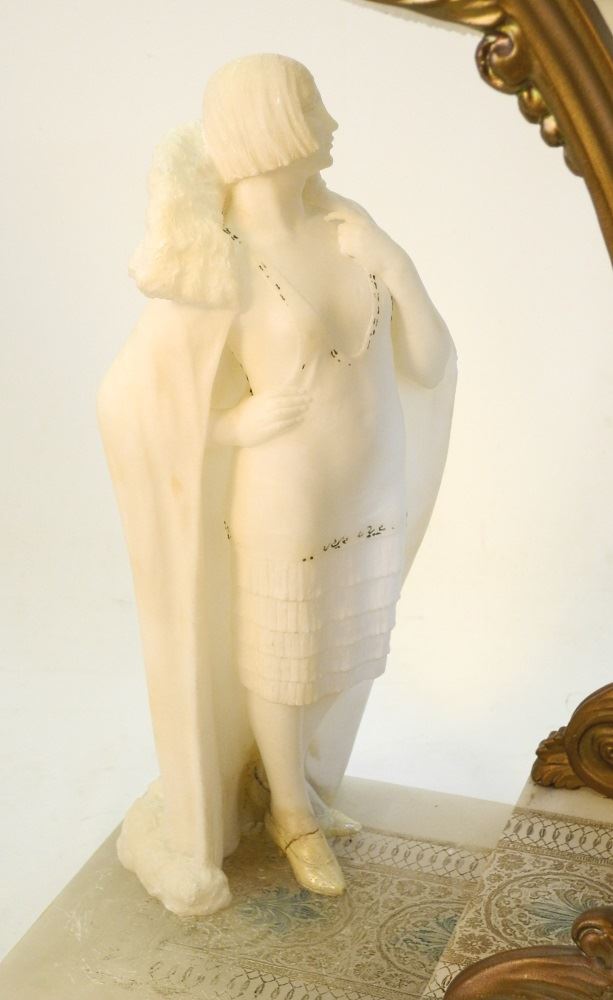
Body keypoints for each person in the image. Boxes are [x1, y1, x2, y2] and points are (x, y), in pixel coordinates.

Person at [98, 53, 457, 915]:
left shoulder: (348, 228)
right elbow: (133, 404)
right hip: (283, 495)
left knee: (342, 650)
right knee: (282, 658)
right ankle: (291, 814)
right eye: (312, 107)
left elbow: (428, 362)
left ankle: (284, 782)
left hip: (370, 488)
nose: (330, 125)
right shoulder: (215, 259)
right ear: (268, 126)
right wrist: (233, 426)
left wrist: (396, 264)